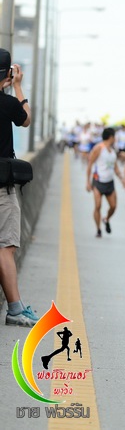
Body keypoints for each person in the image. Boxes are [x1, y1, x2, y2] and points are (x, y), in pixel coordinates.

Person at [0, 59, 39, 327]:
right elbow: (26, 120)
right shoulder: (8, 103)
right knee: (6, 247)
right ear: (7, 73)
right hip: (2, 189)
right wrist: (17, 87)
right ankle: (15, 308)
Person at [86, 127, 123, 238]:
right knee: (98, 205)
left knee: (113, 206)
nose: (115, 139)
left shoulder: (112, 151)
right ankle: (98, 229)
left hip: (109, 182)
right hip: (98, 181)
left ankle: (106, 219)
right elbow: (90, 164)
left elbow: (115, 167)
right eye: (114, 137)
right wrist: (88, 181)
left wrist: (122, 180)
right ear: (111, 137)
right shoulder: (98, 148)